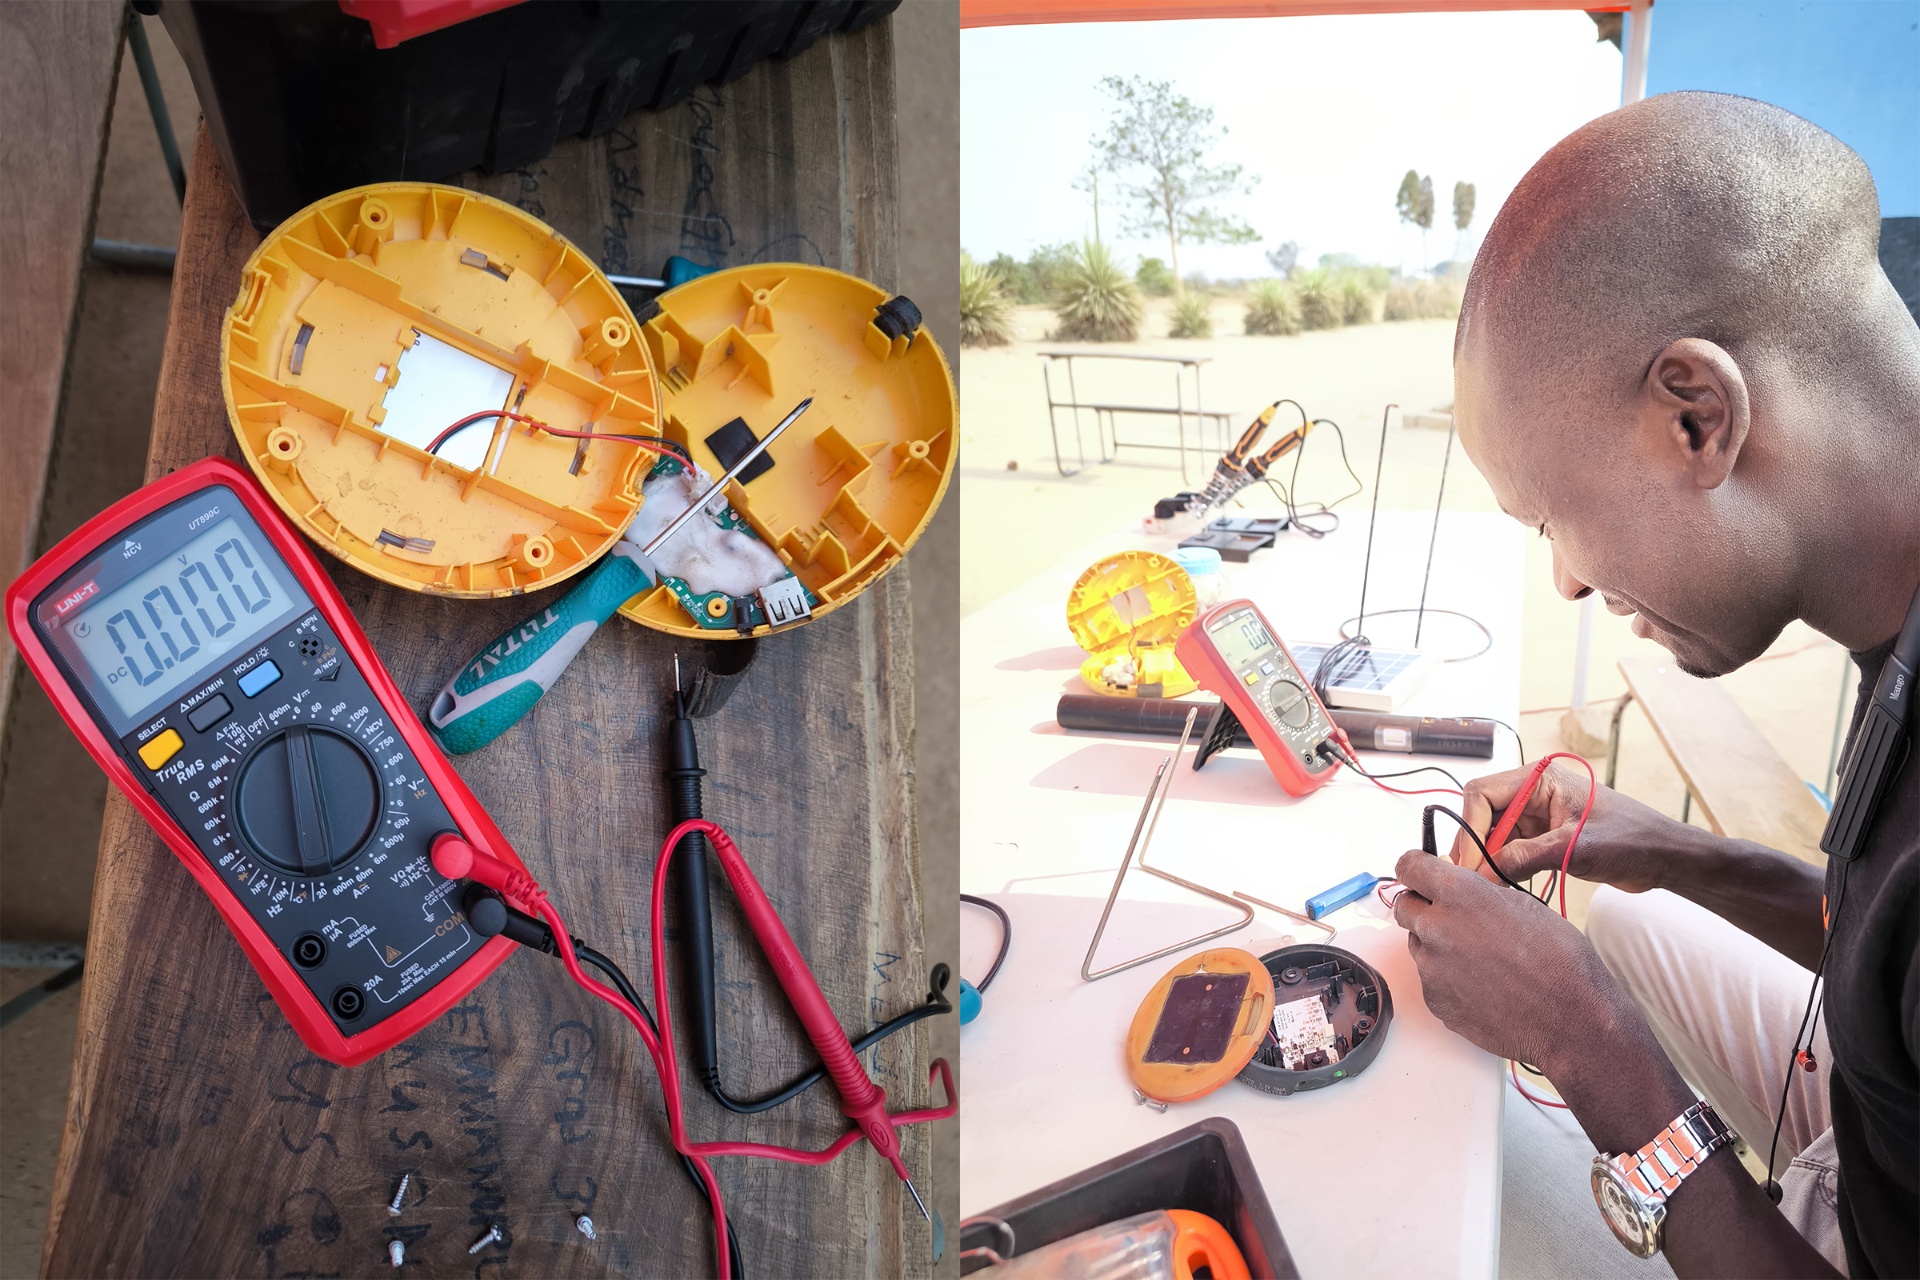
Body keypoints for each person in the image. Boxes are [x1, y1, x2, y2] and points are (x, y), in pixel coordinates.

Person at [1395, 91, 1917, 1278]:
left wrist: (1596, 1055)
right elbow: (1888, 935)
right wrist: (1680, 851)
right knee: (1624, 914)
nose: (1570, 581)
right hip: (1875, 1105)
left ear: (1699, 416)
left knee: (1480, 1192)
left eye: (1553, 518)